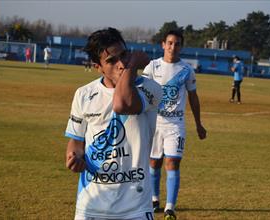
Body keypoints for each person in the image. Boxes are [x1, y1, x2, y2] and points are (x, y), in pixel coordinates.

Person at [64, 27, 162, 220]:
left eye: (124, 55)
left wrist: (132, 67)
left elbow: (122, 104)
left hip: (135, 208)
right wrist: (74, 157)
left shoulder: (150, 88)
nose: (121, 64)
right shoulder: (84, 95)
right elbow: (75, 142)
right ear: (97, 67)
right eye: (111, 61)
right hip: (91, 205)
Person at [142, 30, 207, 220]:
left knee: (173, 162)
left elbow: (193, 98)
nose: (173, 47)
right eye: (170, 43)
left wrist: (198, 124)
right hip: (155, 122)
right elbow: (142, 93)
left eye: (177, 43)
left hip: (175, 124)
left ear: (181, 46)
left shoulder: (186, 70)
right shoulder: (152, 67)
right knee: (154, 162)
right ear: (163, 44)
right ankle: (154, 200)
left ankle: (170, 208)